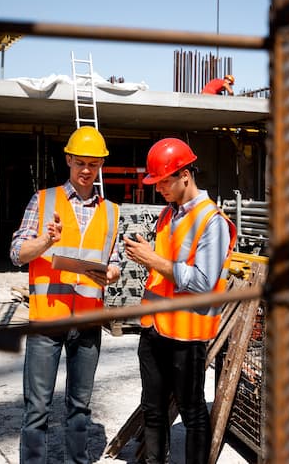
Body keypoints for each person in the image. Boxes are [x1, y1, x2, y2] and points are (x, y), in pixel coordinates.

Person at [10, 126, 121, 464]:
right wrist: (46, 241)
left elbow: (113, 260)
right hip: (47, 320)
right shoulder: (43, 201)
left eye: (94, 164)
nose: (86, 170)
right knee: (38, 408)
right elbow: (17, 253)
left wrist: (113, 272)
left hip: (88, 321)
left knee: (79, 406)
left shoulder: (112, 212)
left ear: (100, 165)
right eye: (80, 163)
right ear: (69, 160)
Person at [123, 138, 236, 464]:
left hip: (187, 335)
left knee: (192, 413)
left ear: (185, 175)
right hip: (155, 329)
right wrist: (149, 254)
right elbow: (167, 266)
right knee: (153, 409)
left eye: (163, 181)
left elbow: (202, 281)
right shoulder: (167, 215)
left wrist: (152, 259)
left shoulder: (211, 221)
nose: (158, 188)